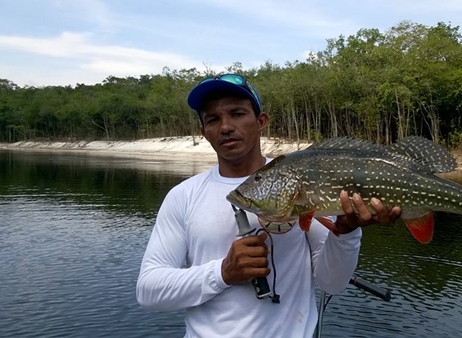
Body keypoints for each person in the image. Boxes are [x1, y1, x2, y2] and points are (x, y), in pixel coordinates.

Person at [136, 74, 402, 338]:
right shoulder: (183, 196)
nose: (226, 126)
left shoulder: (302, 178)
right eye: (213, 119)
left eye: (237, 113)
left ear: (261, 121)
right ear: (203, 132)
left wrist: (347, 232)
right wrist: (223, 272)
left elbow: (333, 282)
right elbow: (149, 290)